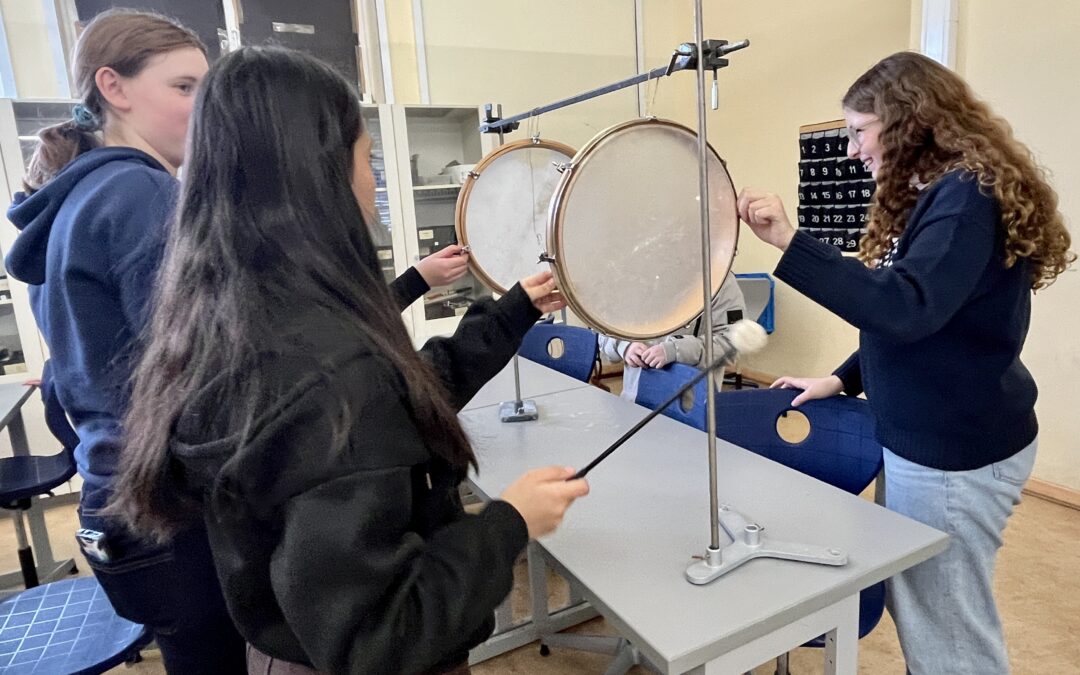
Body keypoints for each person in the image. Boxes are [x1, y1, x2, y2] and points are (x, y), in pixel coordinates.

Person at [109, 46, 589, 675]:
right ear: (321, 174)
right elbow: (384, 632)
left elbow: (394, 404)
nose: (373, 183)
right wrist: (509, 522)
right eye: (368, 159)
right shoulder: (325, 373)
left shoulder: (237, 318)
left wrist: (512, 310)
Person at [737, 51, 1073, 675]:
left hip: (952, 450)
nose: (851, 151)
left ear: (906, 122)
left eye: (859, 132)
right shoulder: (950, 194)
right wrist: (842, 377)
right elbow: (921, 318)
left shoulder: (966, 198)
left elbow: (906, 308)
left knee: (946, 625)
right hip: (941, 437)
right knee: (932, 607)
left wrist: (789, 240)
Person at [4, 10, 246, 673]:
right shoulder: (143, 193)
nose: (205, 106)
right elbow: (201, 373)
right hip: (170, 507)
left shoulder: (75, 198)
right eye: (184, 87)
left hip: (117, 504)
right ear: (113, 87)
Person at [599, 271, 746, 401]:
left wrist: (676, 350)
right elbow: (604, 329)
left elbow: (732, 343)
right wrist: (624, 345)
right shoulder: (636, 272)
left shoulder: (719, 278)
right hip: (635, 402)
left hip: (690, 408)